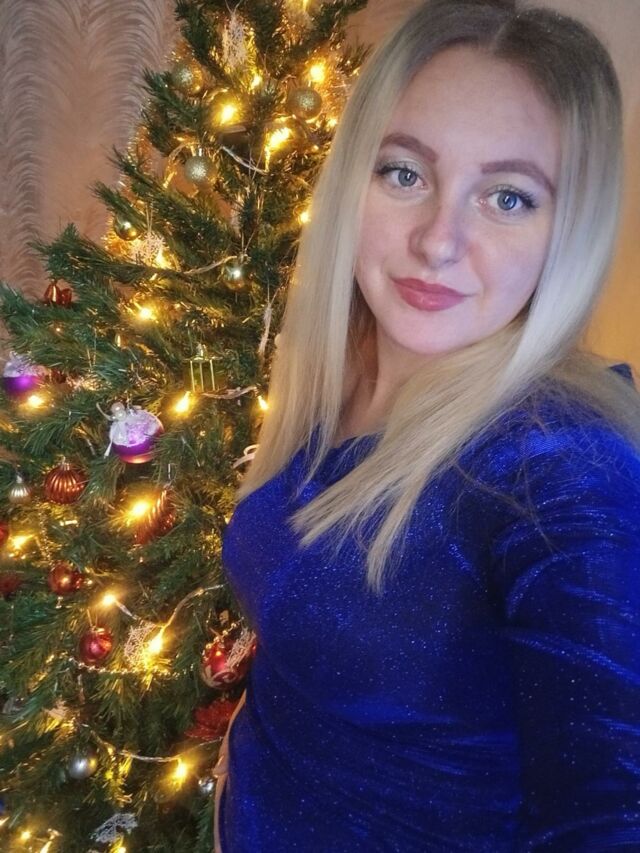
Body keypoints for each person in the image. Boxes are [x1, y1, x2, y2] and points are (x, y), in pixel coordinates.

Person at [213, 0, 640, 849]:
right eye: (404, 173)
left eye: (509, 197)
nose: (439, 241)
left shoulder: (561, 465)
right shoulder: (343, 363)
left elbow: (610, 805)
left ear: (569, 232)